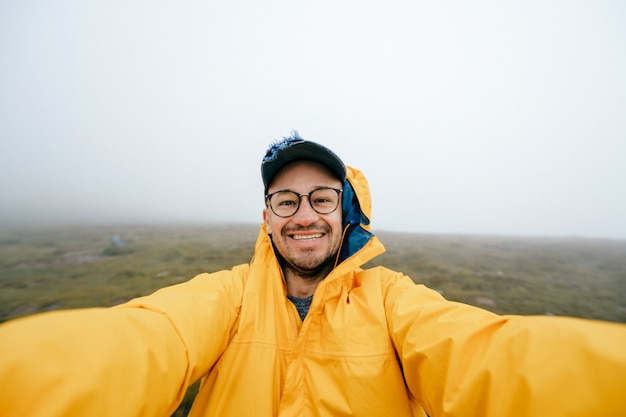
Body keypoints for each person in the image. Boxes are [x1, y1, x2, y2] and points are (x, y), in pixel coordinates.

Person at [1, 132, 625, 417]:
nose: (304, 216)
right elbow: (142, 340)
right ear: (267, 219)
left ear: (347, 214)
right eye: (286, 201)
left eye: (322, 199)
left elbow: (487, 357)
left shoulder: (392, 300)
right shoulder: (228, 296)